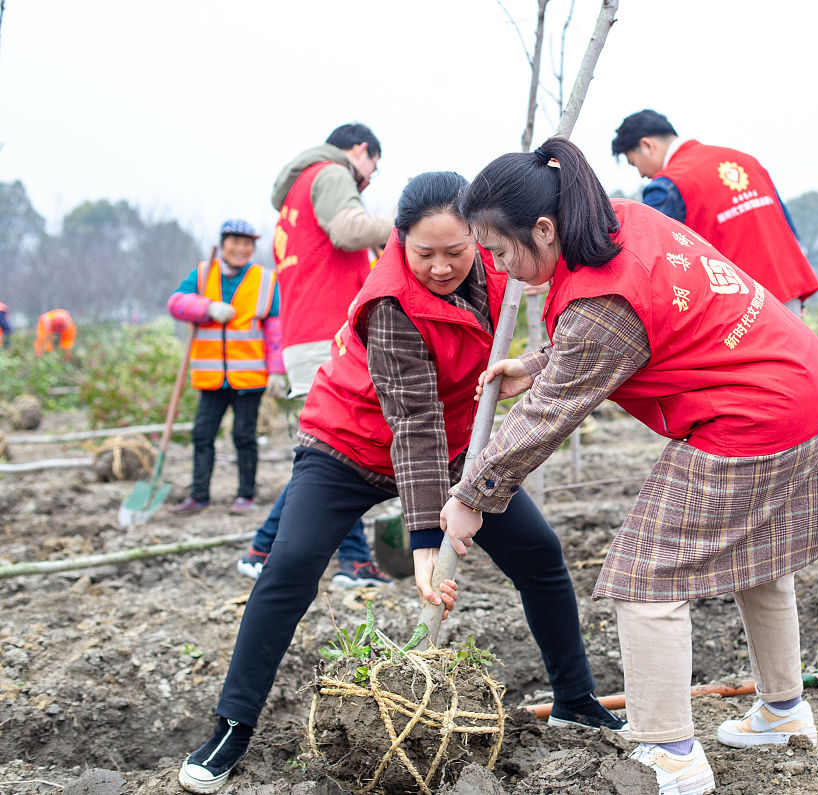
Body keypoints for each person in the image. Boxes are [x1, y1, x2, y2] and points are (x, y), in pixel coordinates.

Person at [442, 139, 818, 795]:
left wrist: (473, 494)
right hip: (805, 380)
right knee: (762, 556)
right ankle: (785, 713)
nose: (499, 267)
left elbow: (548, 416)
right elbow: (616, 335)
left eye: (501, 250)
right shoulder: (619, 220)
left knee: (648, 576)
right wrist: (536, 364)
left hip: (756, 412)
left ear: (543, 228)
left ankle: (670, 754)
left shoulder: (601, 300)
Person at [178, 172, 626, 795]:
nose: (441, 267)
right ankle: (232, 726)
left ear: (478, 236)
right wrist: (423, 542)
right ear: (399, 241)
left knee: (541, 555)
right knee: (291, 566)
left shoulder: (503, 265)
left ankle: (576, 697)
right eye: (424, 254)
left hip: (454, 438)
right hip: (352, 441)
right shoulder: (389, 302)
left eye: (456, 251)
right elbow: (412, 426)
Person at [241, 122, 395, 586]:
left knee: (325, 450)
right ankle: (354, 562)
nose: (367, 179)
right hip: (327, 332)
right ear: (361, 150)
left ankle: (262, 547)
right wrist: (407, 225)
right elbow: (349, 230)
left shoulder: (296, 190)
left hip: (305, 331)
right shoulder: (331, 172)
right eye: (372, 168)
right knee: (338, 451)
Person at [611, 109, 818, 316]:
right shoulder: (745, 160)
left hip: (743, 314)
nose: (641, 174)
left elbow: (645, 259)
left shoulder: (668, 185)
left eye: (634, 163)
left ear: (647, 146)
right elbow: (789, 231)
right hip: (788, 296)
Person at [167, 221, 282, 515]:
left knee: (244, 437)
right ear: (223, 243)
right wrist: (207, 308)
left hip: (249, 375)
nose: (241, 248)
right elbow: (177, 303)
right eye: (235, 242)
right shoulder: (204, 273)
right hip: (212, 376)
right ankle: (199, 495)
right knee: (202, 435)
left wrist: (277, 370)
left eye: (247, 244)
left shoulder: (266, 279)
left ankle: (246, 495)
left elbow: (275, 328)